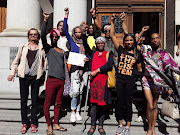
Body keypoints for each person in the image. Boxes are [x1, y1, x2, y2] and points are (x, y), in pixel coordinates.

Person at [7, 28, 46, 134]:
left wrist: (42, 78)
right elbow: (16, 61)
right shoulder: (23, 47)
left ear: (38, 36)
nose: (33, 36)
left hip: (35, 78)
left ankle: (33, 123)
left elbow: (44, 65)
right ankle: (25, 123)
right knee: (23, 101)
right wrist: (12, 73)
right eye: (31, 34)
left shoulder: (41, 48)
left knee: (34, 101)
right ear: (28, 36)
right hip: (24, 77)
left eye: (35, 34)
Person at [140, 33, 180, 135]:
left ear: (160, 39)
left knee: (155, 105)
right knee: (150, 105)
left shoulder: (165, 54)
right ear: (150, 40)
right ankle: (149, 129)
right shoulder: (147, 52)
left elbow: (170, 69)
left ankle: (153, 129)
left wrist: (170, 85)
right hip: (147, 80)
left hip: (158, 82)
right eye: (153, 38)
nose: (155, 40)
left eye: (157, 38)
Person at [110, 14, 142, 135]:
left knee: (128, 103)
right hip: (120, 79)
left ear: (134, 41)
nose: (129, 42)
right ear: (124, 41)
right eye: (127, 40)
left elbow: (139, 69)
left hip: (130, 81)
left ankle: (128, 126)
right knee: (119, 102)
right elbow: (112, 35)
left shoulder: (136, 54)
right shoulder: (120, 49)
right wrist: (112, 22)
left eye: (131, 40)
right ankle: (120, 124)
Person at [41, 13, 68, 135]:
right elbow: (42, 35)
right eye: (53, 37)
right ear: (51, 37)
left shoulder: (62, 51)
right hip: (51, 80)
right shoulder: (48, 49)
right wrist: (45, 20)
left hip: (61, 81)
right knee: (47, 104)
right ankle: (49, 125)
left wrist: (66, 79)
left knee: (58, 103)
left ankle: (56, 123)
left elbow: (64, 66)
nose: (55, 38)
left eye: (56, 37)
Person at [63, 7, 89, 123]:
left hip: (83, 70)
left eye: (80, 32)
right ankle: (73, 111)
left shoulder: (84, 42)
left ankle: (78, 111)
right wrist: (66, 15)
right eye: (76, 32)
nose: (78, 34)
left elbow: (88, 54)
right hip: (74, 70)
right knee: (75, 91)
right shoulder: (72, 41)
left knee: (81, 91)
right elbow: (64, 28)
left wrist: (87, 58)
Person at [87, 36, 114, 135]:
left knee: (102, 104)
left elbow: (109, 65)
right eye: (98, 43)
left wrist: (97, 70)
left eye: (102, 43)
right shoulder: (93, 53)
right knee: (93, 104)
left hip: (104, 82)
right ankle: (92, 125)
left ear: (104, 44)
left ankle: (100, 125)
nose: (100, 44)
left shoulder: (108, 54)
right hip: (94, 82)